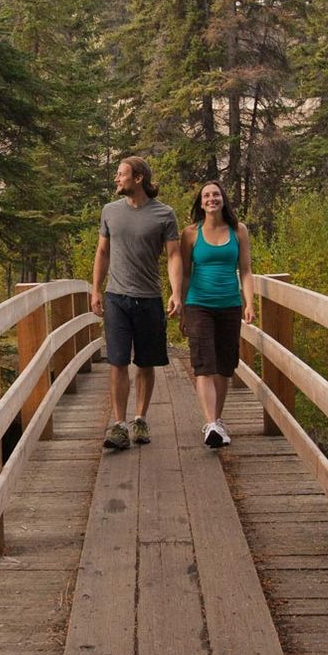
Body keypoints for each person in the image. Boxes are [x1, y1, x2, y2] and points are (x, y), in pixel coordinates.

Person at [90, 156, 183, 451]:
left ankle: (140, 418)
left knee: (145, 362)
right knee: (117, 361)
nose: (117, 179)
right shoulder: (109, 211)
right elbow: (102, 252)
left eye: (121, 174)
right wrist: (95, 290)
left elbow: (173, 256)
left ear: (138, 178)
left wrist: (176, 292)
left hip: (149, 298)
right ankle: (119, 425)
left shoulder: (164, 214)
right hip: (116, 297)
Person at [177, 181, 254, 448]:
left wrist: (249, 303)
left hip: (230, 304)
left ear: (223, 199)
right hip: (199, 304)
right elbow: (185, 273)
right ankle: (210, 422)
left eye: (216, 195)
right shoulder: (190, 234)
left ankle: (217, 421)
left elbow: (245, 270)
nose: (211, 199)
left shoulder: (238, 230)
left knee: (225, 365)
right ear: (200, 203)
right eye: (207, 196)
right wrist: (183, 308)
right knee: (203, 364)